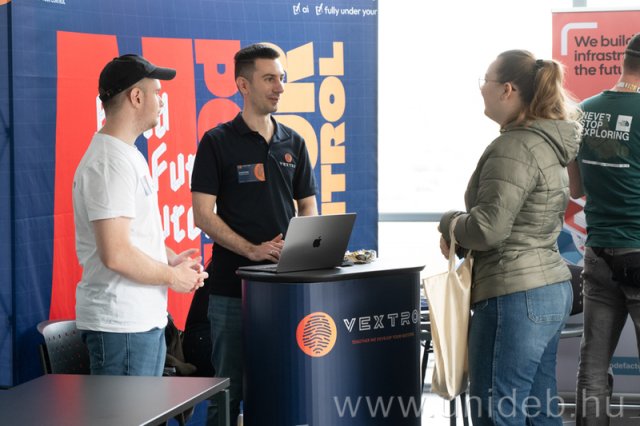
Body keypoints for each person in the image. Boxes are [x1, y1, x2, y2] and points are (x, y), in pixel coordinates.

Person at [438, 50, 582, 425]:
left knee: (497, 411)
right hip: (548, 287)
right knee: (539, 411)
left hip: (513, 294)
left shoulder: (514, 146)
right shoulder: (547, 141)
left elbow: (489, 228)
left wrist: (450, 223)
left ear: (507, 89)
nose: (481, 89)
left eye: (485, 81)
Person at [191, 43, 318, 423]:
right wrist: (251, 250)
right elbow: (203, 215)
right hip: (231, 289)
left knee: (281, 389)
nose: (280, 87)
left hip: (284, 290)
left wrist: (300, 248)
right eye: (269, 79)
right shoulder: (216, 142)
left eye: (281, 78)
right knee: (226, 395)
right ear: (243, 85)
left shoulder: (294, 141)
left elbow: (308, 207)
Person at [73, 54, 208, 377]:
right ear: (136, 97)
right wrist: (173, 277)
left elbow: (129, 238)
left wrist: (168, 257)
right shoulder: (110, 163)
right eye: (157, 93)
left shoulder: (125, 155)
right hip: (122, 327)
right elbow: (116, 254)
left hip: (137, 324)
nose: (161, 102)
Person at [568, 33, 640, 425]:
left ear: (624, 61)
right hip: (638, 249)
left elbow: (575, 189)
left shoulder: (583, 112)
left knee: (592, 367)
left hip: (597, 253)